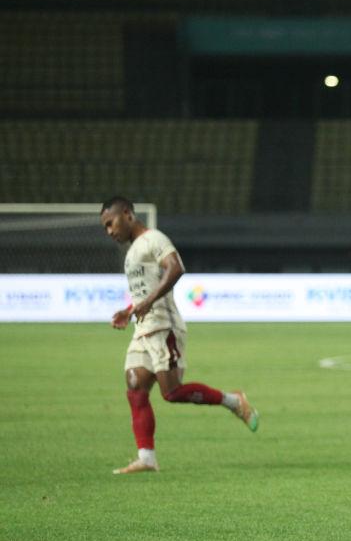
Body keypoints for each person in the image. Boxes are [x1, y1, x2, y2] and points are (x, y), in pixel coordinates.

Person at [100, 197, 259, 475]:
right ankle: (146, 457)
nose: (109, 231)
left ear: (126, 214)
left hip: (163, 325)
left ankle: (233, 401)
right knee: (135, 384)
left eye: (110, 223)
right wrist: (130, 310)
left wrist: (148, 302)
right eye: (105, 228)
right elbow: (144, 292)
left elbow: (176, 268)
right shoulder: (132, 252)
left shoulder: (153, 239)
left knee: (171, 392)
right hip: (143, 327)